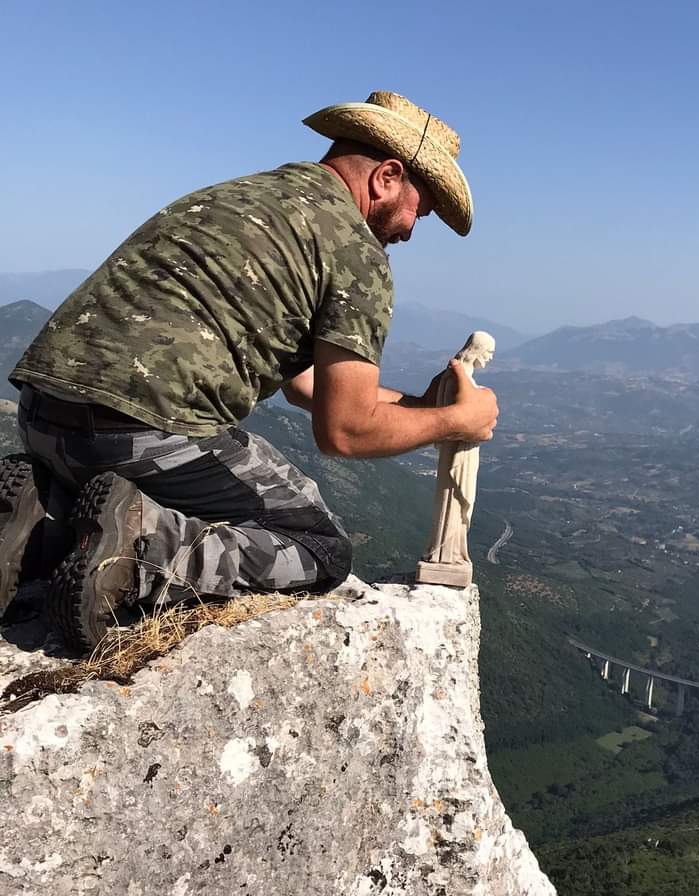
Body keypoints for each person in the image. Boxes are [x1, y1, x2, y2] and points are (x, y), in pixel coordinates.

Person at [2, 90, 498, 654]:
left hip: (42, 415)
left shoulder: (240, 196)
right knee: (318, 545)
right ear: (387, 177)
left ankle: (41, 521)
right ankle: (140, 551)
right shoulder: (355, 251)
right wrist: (459, 422)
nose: (410, 229)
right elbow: (344, 432)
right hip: (136, 431)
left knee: (127, 460)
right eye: (419, 210)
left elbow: (307, 385)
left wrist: (420, 407)